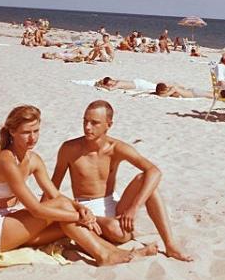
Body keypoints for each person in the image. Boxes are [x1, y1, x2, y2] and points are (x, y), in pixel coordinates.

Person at [0, 105, 155, 265]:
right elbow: (36, 210)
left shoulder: (34, 160)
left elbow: (55, 195)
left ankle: (110, 253)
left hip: (9, 222)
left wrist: (80, 208)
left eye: (36, 131)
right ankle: (105, 255)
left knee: (65, 221)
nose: (32, 138)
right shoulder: (6, 160)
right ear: (12, 132)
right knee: (65, 213)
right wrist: (78, 216)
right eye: (26, 132)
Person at [53, 101, 193, 261]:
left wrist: (133, 208)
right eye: (85, 121)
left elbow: (154, 171)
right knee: (116, 231)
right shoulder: (69, 149)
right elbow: (52, 188)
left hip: (111, 203)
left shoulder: (116, 148)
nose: (87, 127)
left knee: (145, 179)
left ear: (108, 124)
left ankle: (170, 245)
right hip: (84, 207)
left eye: (94, 123)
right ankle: (100, 228)